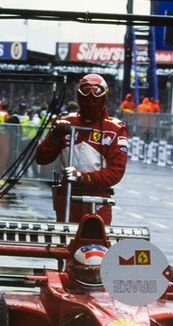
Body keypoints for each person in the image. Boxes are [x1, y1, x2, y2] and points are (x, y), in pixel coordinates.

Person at [33, 74, 129, 224]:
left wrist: (83, 177)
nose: (90, 102)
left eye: (94, 98)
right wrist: (55, 137)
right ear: (78, 97)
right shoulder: (66, 122)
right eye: (85, 98)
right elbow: (41, 158)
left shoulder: (115, 128)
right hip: (67, 197)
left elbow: (116, 172)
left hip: (98, 199)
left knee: (96, 245)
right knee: (65, 244)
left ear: (103, 98)